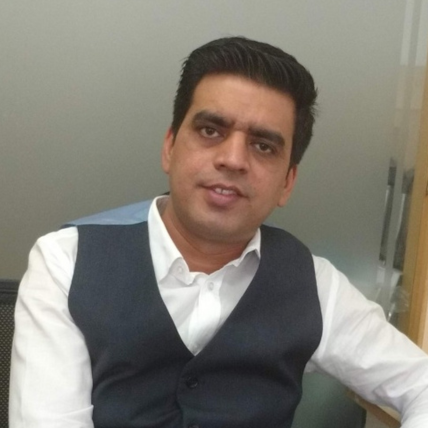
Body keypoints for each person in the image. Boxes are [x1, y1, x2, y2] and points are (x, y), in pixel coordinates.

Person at [9, 37, 428, 428]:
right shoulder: (66, 261)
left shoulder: (313, 284)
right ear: (170, 147)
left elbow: (420, 383)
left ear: (287, 182)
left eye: (263, 146)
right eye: (211, 131)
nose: (233, 159)